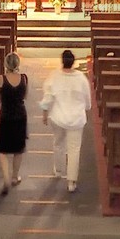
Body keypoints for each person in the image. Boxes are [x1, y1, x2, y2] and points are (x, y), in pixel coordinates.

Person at [41, 47, 93, 192]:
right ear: (74, 62)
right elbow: (88, 101)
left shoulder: (54, 76)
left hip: (58, 117)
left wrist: (45, 112)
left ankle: (58, 171)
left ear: (62, 61)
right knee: (74, 150)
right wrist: (85, 108)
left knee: (58, 144)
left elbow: (48, 96)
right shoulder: (81, 79)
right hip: (76, 118)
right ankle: (71, 182)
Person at [0, 52, 28, 194]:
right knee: (18, 148)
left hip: (6, 115)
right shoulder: (24, 78)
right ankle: (15, 177)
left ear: (6, 64)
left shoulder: (0, 79)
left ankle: (6, 179)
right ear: (18, 64)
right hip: (20, 115)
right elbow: (25, 96)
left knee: (3, 149)